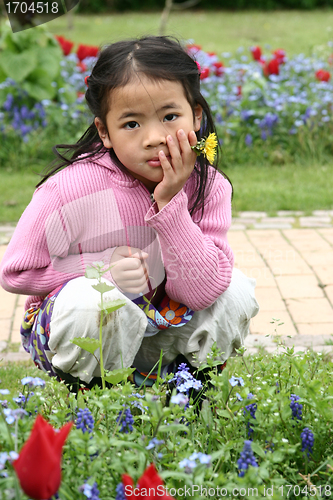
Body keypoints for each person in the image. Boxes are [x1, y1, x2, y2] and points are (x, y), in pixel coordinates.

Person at [0, 36, 259, 391]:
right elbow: (16, 272)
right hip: (83, 339)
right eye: (132, 124)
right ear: (104, 131)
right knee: (92, 299)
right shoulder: (71, 188)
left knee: (234, 290)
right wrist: (102, 269)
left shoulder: (207, 186)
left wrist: (170, 203)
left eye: (170, 116)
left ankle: (188, 391)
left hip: (163, 332)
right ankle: (93, 395)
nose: (154, 137)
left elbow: (201, 293)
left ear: (196, 116)